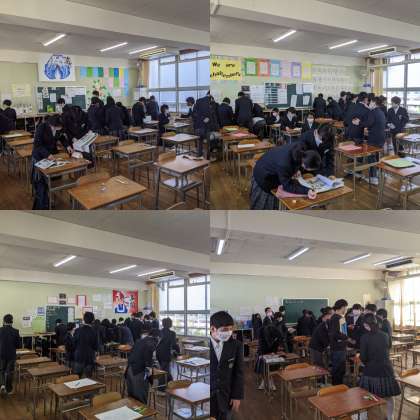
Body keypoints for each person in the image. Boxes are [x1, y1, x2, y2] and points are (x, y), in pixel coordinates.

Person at [251, 142, 321, 210]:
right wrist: (307, 191)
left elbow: (295, 162)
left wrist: (297, 170)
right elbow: (287, 186)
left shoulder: (302, 148)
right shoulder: (285, 164)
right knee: (268, 206)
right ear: (304, 165)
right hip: (264, 175)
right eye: (308, 169)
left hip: (273, 164)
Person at [359, 313, 400, 420]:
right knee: (389, 396)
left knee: (366, 395)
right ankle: (390, 417)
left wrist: (365, 362)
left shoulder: (364, 337)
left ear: (366, 325)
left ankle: (363, 417)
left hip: (371, 370)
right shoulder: (385, 335)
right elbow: (388, 347)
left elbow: (363, 357)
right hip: (386, 369)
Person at [31, 115, 72, 210]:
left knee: (53, 179)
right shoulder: (42, 127)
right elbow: (37, 145)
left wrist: (68, 146)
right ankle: (43, 204)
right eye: (58, 127)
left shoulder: (59, 128)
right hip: (40, 156)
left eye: (60, 128)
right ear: (52, 124)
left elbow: (62, 137)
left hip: (53, 156)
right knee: (41, 182)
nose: (59, 129)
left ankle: (49, 198)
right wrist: (47, 154)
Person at [210, 311, 243, 420]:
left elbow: (238, 372)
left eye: (230, 329)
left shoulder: (236, 345)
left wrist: (237, 396)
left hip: (227, 395)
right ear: (213, 329)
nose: (228, 333)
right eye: (224, 330)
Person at [126, 327, 159, 404]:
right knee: (141, 398)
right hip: (139, 372)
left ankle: (132, 411)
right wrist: (150, 379)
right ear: (157, 337)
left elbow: (132, 355)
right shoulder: (151, 342)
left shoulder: (140, 340)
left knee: (131, 398)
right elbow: (148, 363)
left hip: (130, 369)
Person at [329, 299, 354, 385]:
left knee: (340, 369)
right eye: (345, 307)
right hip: (338, 348)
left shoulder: (339, 317)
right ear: (342, 307)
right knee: (338, 369)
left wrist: (347, 327)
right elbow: (335, 333)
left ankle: (338, 385)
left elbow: (340, 330)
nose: (346, 309)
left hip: (340, 347)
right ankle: (337, 387)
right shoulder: (336, 318)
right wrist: (348, 338)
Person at [193, 91, 220, 158]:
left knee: (199, 142)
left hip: (198, 126)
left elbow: (195, 114)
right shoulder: (212, 103)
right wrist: (216, 128)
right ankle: (207, 158)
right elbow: (213, 116)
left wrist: (202, 118)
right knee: (208, 143)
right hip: (208, 127)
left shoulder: (198, 100)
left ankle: (199, 157)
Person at [73, 312, 98, 378]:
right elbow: (96, 346)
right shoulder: (94, 331)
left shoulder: (77, 330)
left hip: (79, 356)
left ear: (84, 319)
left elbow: (74, 343)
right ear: (93, 320)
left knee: (77, 376)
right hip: (89, 356)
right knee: (88, 377)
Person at [0, 314, 20, 395]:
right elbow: (18, 345)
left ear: (4, 321)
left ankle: (2, 385)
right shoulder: (16, 331)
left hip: (1, 354)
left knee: (1, 370)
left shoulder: (0, 330)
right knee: (9, 372)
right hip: (11, 355)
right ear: (12, 321)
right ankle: (8, 389)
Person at [156, 317, 180, 382]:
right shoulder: (172, 333)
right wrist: (178, 352)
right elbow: (174, 344)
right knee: (164, 369)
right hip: (166, 353)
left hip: (158, 352)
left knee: (164, 368)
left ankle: (169, 381)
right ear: (170, 324)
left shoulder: (159, 331)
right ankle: (163, 384)